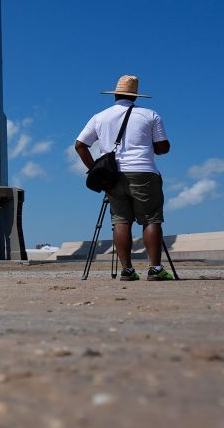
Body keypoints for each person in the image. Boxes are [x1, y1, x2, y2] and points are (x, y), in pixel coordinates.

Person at [74, 74, 173, 281]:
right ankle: (155, 269)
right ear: (136, 96)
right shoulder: (150, 115)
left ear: (115, 95)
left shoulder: (99, 117)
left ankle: (127, 270)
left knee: (121, 221)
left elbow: (80, 145)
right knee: (151, 219)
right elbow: (163, 147)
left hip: (113, 176)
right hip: (144, 172)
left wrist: (95, 170)